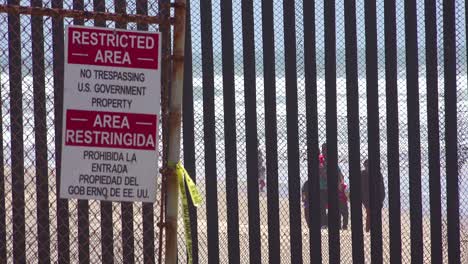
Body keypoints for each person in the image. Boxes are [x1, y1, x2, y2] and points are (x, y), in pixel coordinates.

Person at [320, 143, 345, 228]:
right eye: (323, 150)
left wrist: (340, 182)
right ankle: (324, 224)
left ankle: (333, 224)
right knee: (323, 206)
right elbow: (323, 173)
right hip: (322, 187)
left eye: (325, 150)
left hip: (330, 187)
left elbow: (340, 174)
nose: (324, 152)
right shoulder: (321, 160)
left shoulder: (332, 161)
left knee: (333, 206)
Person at [361, 159, 385, 232]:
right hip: (368, 198)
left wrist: (381, 198)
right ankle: (369, 229)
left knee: (373, 214)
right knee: (371, 214)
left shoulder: (377, 174)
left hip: (374, 198)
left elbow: (381, 187)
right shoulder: (363, 174)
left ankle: (370, 229)